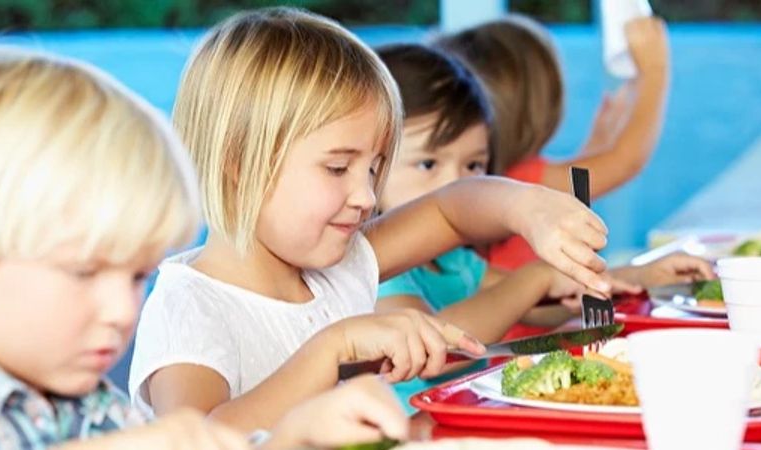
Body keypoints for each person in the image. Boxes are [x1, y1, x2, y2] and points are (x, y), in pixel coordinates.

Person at [129, 7, 610, 433]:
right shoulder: (189, 307)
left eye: (375, 168)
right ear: (238, 162)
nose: (365, 195)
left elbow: (452, 210)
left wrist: (528, 208)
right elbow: (197, 438)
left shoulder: (340, 266)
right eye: (338, 168)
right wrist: (332, 348)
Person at [0, 45, 408, 450]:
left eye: (137, 277)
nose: (122, 311)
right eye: (84, 272)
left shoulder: (90, 403)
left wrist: (293, 436)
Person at [373, 43, 713, 410]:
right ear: (371, 164)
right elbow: (441, 345)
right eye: (428, 164)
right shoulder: (376, 270)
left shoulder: (454, 260)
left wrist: (634, 277)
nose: (457, 183)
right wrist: (536, 277)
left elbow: (533, 305)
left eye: (473, 166)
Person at [435, 14, 671, 270]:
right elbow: (625, 162)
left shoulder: (494, 179)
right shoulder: (519, 182)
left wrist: (599, 141)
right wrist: (655, 71)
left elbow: (576, 182)